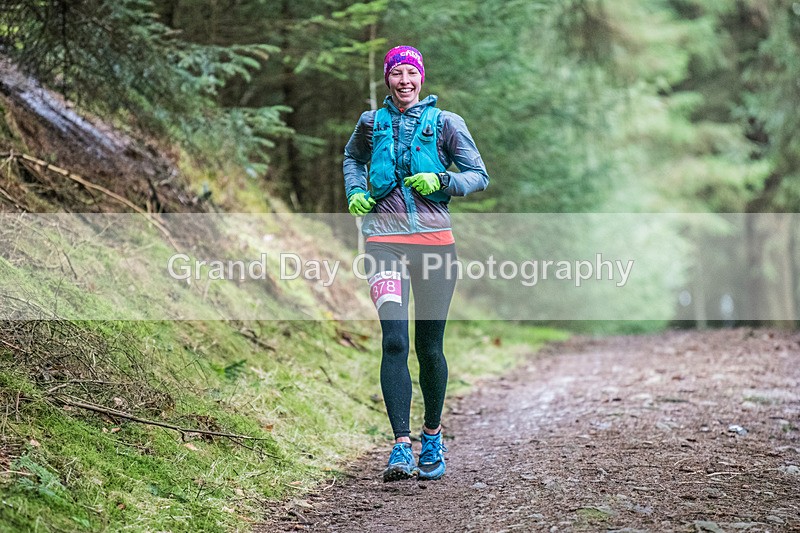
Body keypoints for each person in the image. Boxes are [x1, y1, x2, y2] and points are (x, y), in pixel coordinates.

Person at [343, 45, 489, 482]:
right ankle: (400, 446)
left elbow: (478, 174)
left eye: (411, 73)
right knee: (393, 341)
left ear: (421, 78)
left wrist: (442, 179)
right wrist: (354, 191)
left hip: (434, 245)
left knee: (429, 348)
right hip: (384, 244)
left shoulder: (446, 123)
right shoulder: (371, 123)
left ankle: (432, 436)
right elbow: (352, 158)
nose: (404, 80)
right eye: (396, 73)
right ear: (387, 79)